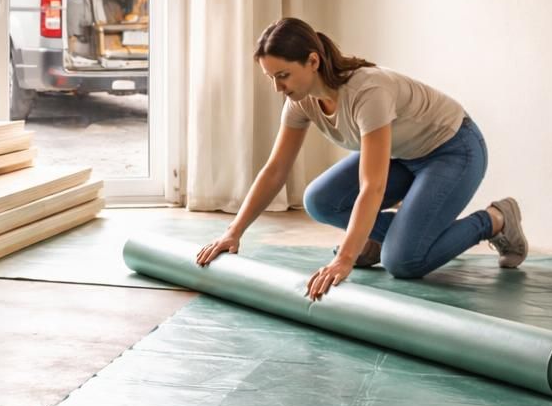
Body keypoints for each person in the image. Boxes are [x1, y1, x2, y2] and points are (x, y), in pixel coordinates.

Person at [197, 17, 528, 299]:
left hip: (454, 150)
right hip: (405, 155)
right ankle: (394, 234)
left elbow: (372, 185)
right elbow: (275, 170)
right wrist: (233, 232)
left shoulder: (367, 92)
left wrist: (345, 257)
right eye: (271, 78)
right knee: (319, 201)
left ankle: (496, 218)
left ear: (313, 61)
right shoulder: (301, 101)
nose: (277, 87)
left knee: (403, 261)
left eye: (282, 75)